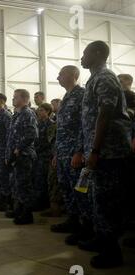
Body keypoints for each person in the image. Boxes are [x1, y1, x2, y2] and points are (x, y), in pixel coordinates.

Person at [80, 40, 132, 268]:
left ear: (98, 53)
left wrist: (95, 150)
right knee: (97, 198)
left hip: (108, 150)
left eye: (85, 53)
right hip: (101, 149)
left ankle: (112, 252)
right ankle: (102, 239)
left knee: (107, 201)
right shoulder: (95, 78)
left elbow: (105, 114)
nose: (82, 57)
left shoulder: (104, 77)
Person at [50, 66, 92, 243]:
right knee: (67, 189)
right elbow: (61, 130)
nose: (58, 77)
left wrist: (79, 150)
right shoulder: (66, 98)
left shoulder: (82, 95)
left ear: (74, 76)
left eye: (62, 74)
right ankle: (73, 221)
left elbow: (85, 125)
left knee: (80, 191)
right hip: (62, 153)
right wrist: (56, 154)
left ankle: (87, 227)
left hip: (74, 154)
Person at [5, 89, 38, 225]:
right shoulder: (17, 115)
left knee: (24, 185)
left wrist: (19, 148)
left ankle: (27, 214)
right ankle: (19, 209)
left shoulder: (27, 113)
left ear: (24, 98)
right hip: (15, 156)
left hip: (23, 155)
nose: (13, 99)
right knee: (17, 185)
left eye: (15, 97)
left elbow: (32, 134)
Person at [33, 103, 55, 211]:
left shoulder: (51, 124)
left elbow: (48, 142)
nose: (38, 111)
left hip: (45, 156)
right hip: (37, 155)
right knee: (37, 179)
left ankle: (43, 203)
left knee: (42, 179)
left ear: (47, 111)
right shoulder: (38, 124)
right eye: (38, 110)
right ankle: (39, 201)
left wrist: (36, 149)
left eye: (41, 110)